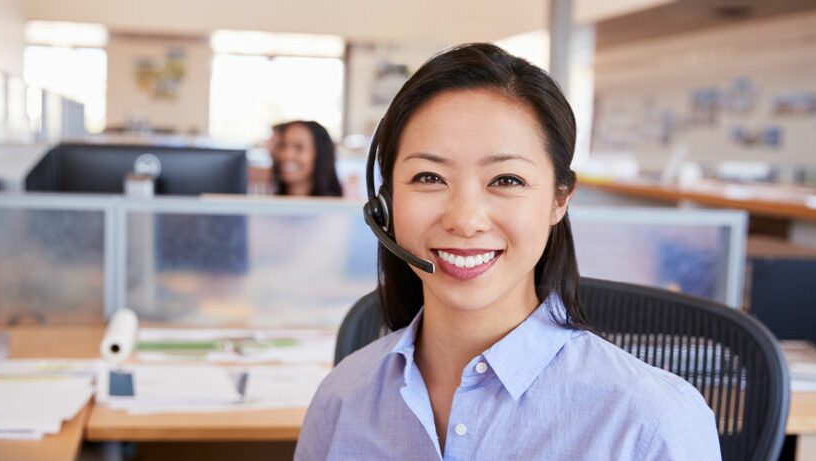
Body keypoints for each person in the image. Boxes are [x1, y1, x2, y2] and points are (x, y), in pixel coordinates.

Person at [295, 43, 721, 460]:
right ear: (385, 205)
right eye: (428, 177)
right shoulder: (341, 399)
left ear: (560, 199)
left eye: (507, 180)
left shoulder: (651, 423)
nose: (465, 219)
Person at [273, 120, 343, 197]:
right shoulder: (266, 202)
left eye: (299, 147)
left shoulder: (339, 206)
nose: (287, 155)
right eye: (283, 146)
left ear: (320, 154)